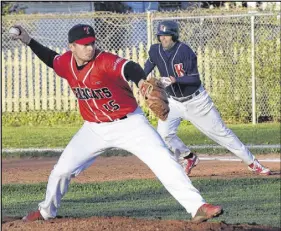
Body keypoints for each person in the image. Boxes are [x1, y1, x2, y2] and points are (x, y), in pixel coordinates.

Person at [10, 24, 223, 223]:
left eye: (92, 42)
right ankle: (46, 211)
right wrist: (27, 40)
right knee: (61, 171)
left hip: (129, 124)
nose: (90, 47)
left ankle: (198, 207)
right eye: (84, 44)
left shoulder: (105, 61)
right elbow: (50, 58)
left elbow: (129, 67)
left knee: (164, 160)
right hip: (94, 128)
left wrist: (141, 82)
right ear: (72, 47)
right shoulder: (66, 62)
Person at [144, 20, 271, 176]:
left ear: (174, 36)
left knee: (222, 134)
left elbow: (195, 79)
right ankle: (188, 157)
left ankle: (253, 163)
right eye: (160, 36)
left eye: (166, 36)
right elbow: (149, 65)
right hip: (174, 102)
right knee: (164, 134)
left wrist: (174, 80)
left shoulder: (185, 51)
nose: (163, 39)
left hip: (197, 102)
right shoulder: (155, 50)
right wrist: (141, 79)